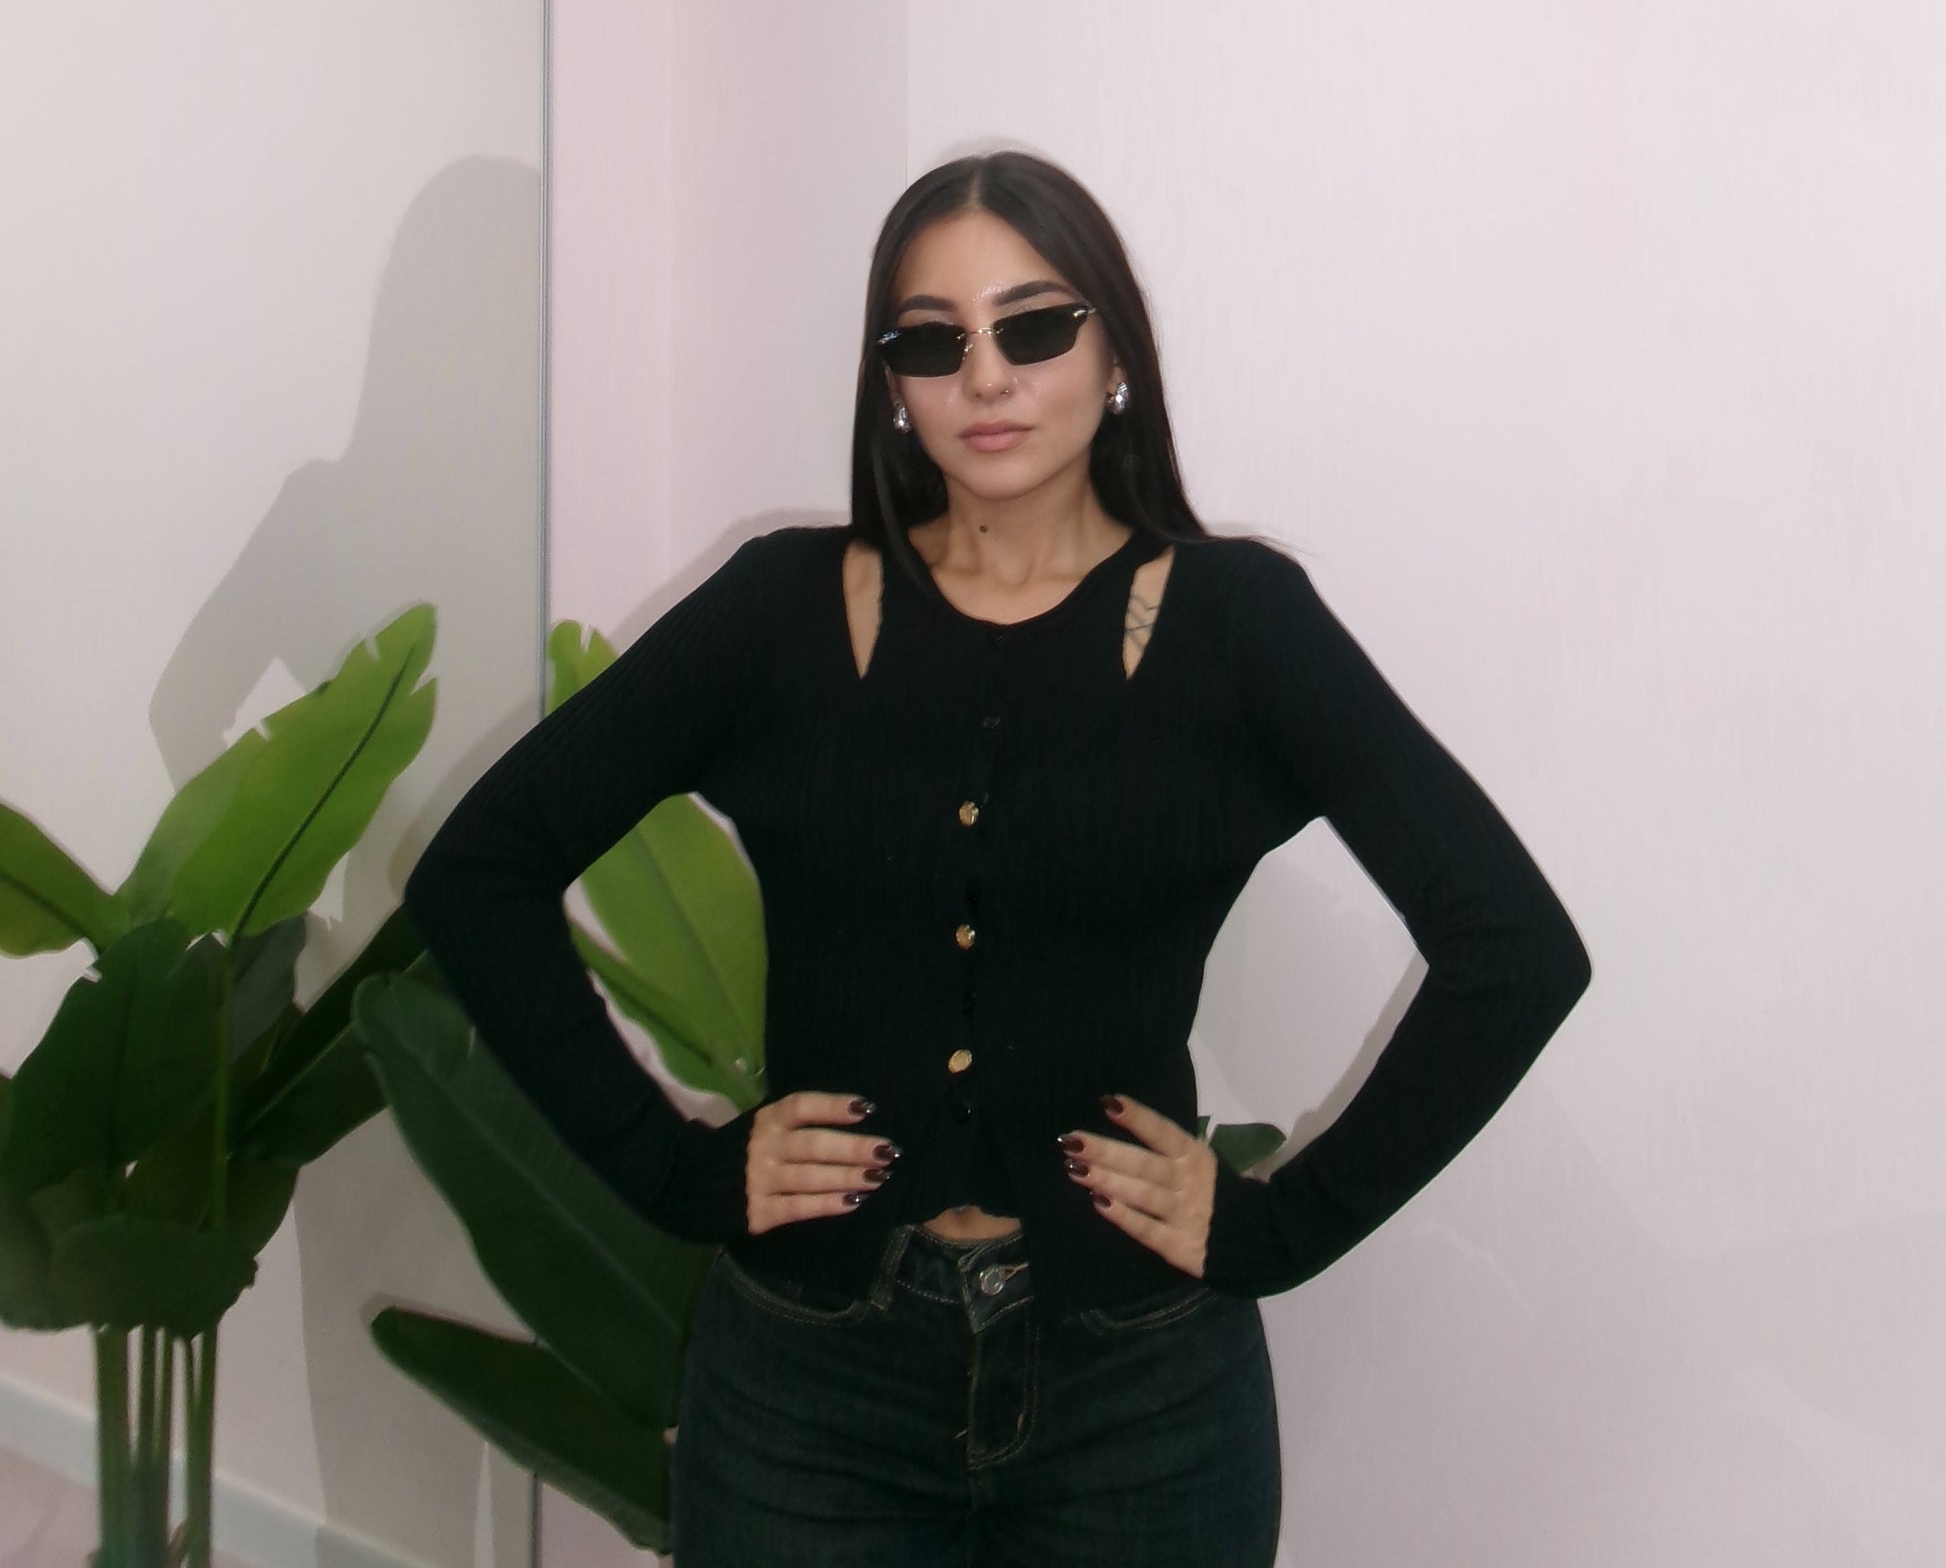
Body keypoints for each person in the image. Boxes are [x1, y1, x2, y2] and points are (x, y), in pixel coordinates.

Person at [402, 149, 1592, 1565]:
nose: (985, 376)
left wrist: (1283, 1230)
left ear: (1116, 354)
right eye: (932, 340)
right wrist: (670, 1172)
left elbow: (1516, 952)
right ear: (890, 385)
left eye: (1034, 326)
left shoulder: (1239, 625)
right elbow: (478, 875)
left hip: (1141, 1395)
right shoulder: (780, 611)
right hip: (808, 1388)